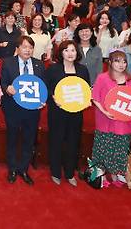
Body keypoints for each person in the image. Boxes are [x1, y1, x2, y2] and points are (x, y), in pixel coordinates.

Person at [91, 50, 131, 187]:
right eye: (117, 61)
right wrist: (104, 111)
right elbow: (95, 97)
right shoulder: (102, 78)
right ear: (110, 62)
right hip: (106, 118)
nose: (121, 64)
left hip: (124, 120)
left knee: (121, 146)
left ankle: (117, 173)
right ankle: (101, 174)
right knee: (103, 146)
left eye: (124, 61)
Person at [0, 36, 46, 186]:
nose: (28, 50)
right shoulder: (8, 63)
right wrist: (7, 88)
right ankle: (12, 169)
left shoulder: (39, 65)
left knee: (28, 140)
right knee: (12, 138)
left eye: (30, 47)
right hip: (13, 107)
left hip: (32, 110)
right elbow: (3, 82)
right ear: (18, 48)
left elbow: (42, 87)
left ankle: (24, 169)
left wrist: (42, 100)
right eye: (25, 47)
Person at [45, 40, 90, 186]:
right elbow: (46, 89)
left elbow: (86, 89)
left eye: (73, 50)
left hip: (76, 112)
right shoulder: (53, 69)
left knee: (73, 142)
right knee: (56, 141)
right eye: (66, 50)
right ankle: (56, 172)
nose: (70, 53)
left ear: (77, 53)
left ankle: (70, 173)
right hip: (57, 112)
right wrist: (52, 97)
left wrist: (87, 100)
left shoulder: (83, 70)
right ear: (61, 53)